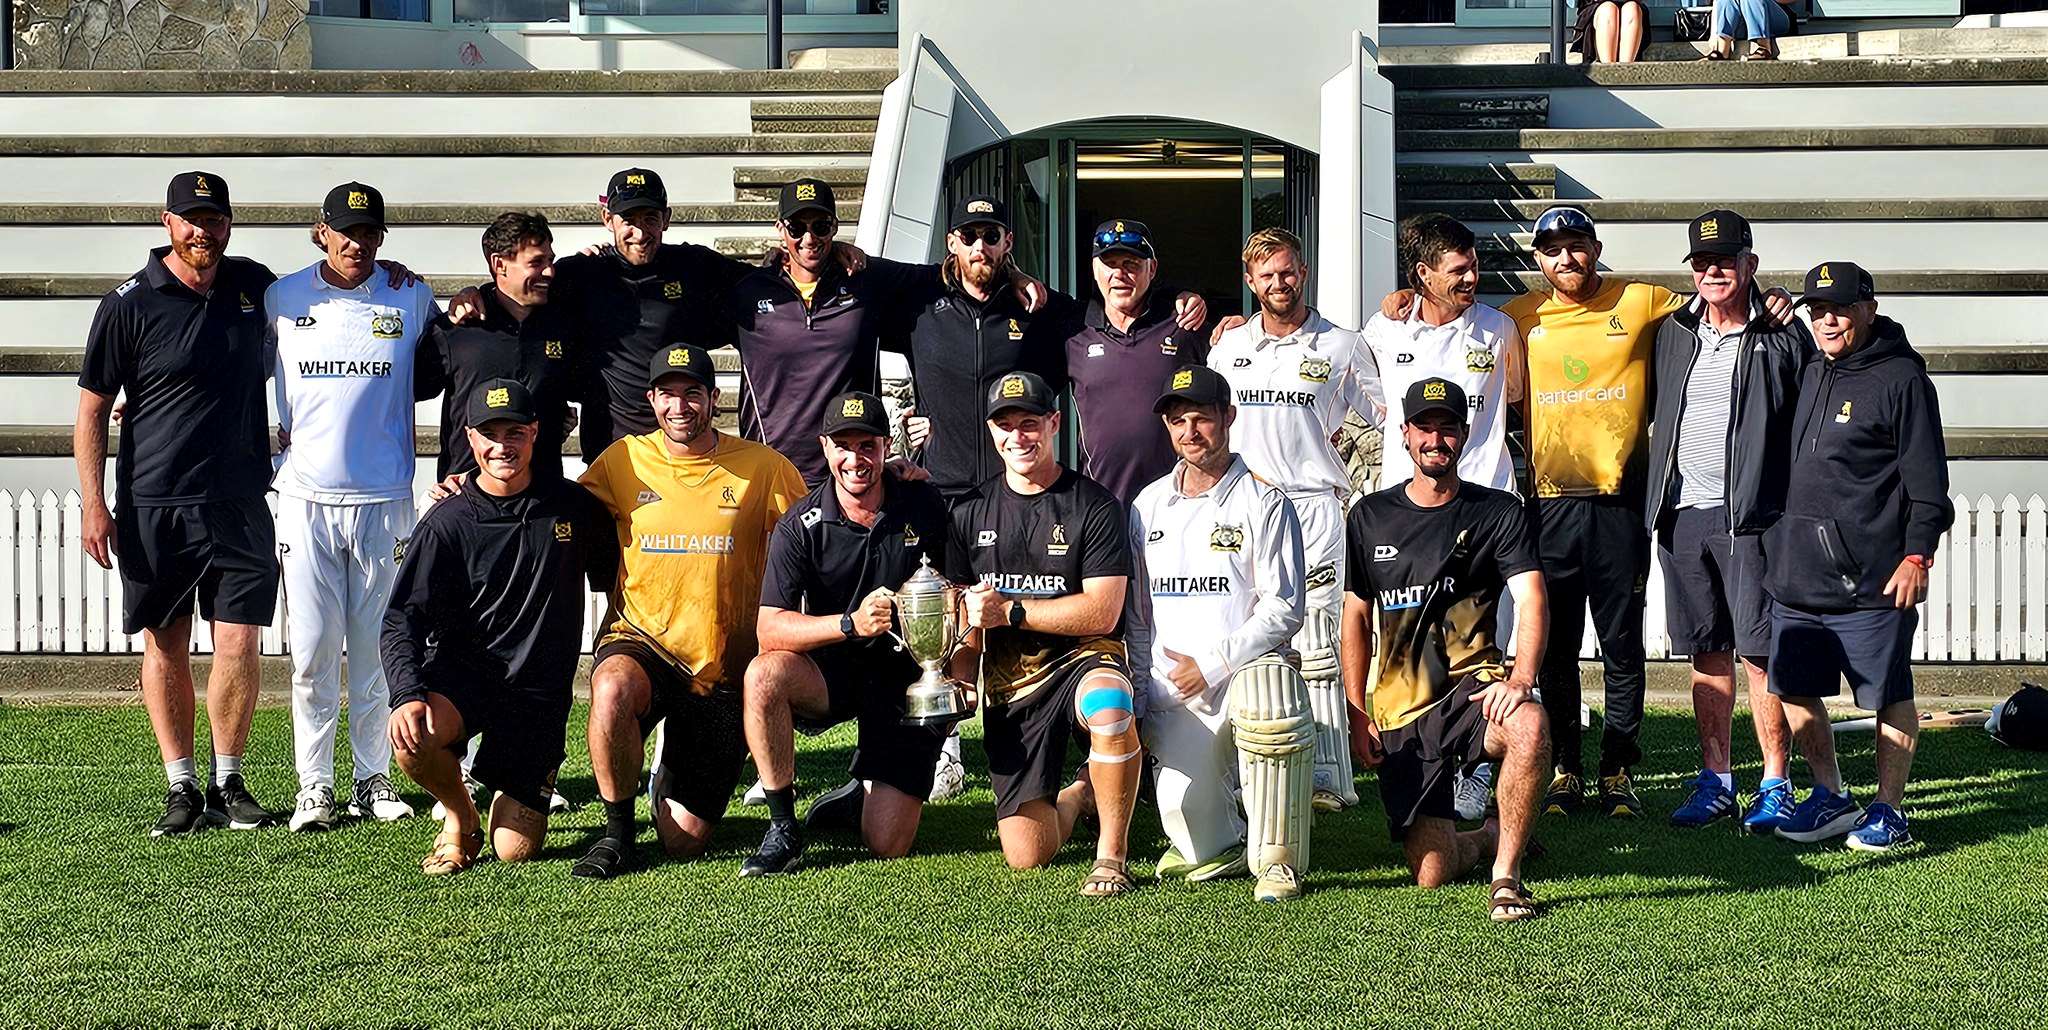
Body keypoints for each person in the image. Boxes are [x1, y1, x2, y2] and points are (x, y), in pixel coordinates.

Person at [78, 171, 282, 837]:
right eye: (190, 218)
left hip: (239, 500)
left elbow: (329, 301)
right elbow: (92, 410)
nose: (203, 230)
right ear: (166, 222)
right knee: (166, 644)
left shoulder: (256, 287)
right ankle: (181, 787)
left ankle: (229, 780)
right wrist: (92, 504)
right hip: (153, 501)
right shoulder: (128, 304)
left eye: (214, 218)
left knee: (239, 640)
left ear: (229, 222)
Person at [571, 344, 807, 878]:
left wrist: (896, 479)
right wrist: (468, 485)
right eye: (669, 394)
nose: (680, 406)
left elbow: (817, 526)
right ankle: (618, 836)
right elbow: (557, 510)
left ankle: (673, 772)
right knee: (609, 688)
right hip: (644, 641)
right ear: (652, 399)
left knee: (683, 841)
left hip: (724, 665)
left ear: (714, 398)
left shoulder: (763, 468)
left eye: (692, 394)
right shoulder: (622, 461)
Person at [381, 380, 618, 875]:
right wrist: (406, 694)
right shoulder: (447, 521)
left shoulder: (573, 506)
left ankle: (504, 798)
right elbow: (401, 616)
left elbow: (622, 575)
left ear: (535, 434)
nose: (502, 446)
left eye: (514, 432)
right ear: (470, 440)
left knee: (515, 849)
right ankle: (460, 815)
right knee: (412, 739)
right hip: (464, 677)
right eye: (489, 434)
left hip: (537, 692)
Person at [1342, 377, 1551, 921]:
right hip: (1401, 706)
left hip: (1474, 690)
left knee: (1529, 725)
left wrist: (1521, 679)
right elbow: (1356, 617)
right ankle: (1487, 836)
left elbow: (1532, 601)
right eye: (1426, 428)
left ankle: (1506, 875)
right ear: (1405, 434)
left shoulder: (1499, 511)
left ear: (1464, 435)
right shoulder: (1368, 516)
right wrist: (1355, 710)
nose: (1437, 439)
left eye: (1449, 428)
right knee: (1432, 872)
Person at [267, 181, 440, 831]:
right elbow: (221, 365)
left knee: (376, 651)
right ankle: (316, 786)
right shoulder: (281, 297)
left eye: (370, 233)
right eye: (345, 231)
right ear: (321, 231)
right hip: (305, 499)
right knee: (312, 652)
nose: (357, 243)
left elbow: (458, 361)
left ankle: (373, 779)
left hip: (385, 501)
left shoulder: (409, 294)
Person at [1499, 206, 1682, 819]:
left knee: (1622, 644)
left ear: (1596, 248)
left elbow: (1716, 300)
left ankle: (1618, 768)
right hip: (1548, 505)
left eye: (1576, 246)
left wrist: (1776, 298)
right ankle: (1565, 770)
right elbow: (1451, 323)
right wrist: (1402, 300)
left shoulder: (1642, 299)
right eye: (1552, 250)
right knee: (1555, 648)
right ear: (1537, 259)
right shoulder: (1519, 316)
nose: (1566, 260)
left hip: (1619, 504)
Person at [1764, 262, 1953, 852]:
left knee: (1888, 694)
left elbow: (1929, 488)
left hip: (1871, 578)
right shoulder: (1810, 368)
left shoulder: (1902, 381)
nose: (1827, 320)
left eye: (1840, 309)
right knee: (1793, 687)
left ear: (1869, 308)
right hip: (1798, 574)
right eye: (1816, 310)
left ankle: (1889, 810)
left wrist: (1916, 557)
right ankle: (1830, 794)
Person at [739, 391, 955, 875]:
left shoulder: (922, 501)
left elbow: (956, 589)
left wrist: (955, 678)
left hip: (905, 679)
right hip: (834, 668)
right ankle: (783, 827)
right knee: (763, 675)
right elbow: (768, 628)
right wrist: (848, 624)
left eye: (867, 446)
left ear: (886, 447)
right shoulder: (801, 524)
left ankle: (861, 792)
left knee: (887, 844)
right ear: (824, 447)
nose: (855, 459)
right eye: (843, 446)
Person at [945, 371, 1143, 896]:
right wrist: (961, 673)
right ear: (992, 433)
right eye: (1005, 425)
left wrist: (1011, 611)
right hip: (1013, 684)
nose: (1018, 437)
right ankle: (1081, 791)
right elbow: (964, 615)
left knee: (1111, 706)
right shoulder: (967, 512)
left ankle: (1111, 856)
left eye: (1029, 423)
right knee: (1028, 855)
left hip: (1083, 658)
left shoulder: (1094, 505)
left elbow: (1103, 612)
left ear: (1054, 423)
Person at [1207, 227, 1384, 811]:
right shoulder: (1230, 348)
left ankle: (1329, 777)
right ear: (1250, 282)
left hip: (1313, 504)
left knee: (1318, 644)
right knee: (1243, 632)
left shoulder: (1341, 343)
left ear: (1303, 273)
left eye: (1288, 271)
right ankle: (1240, 769)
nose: (1279, 283)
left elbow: (1383, 416)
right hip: (1245, 504)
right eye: (1267, 275)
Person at [1645, 210, 1809, 832]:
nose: (1712, 271)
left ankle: (1776, 782)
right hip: (1682, 515)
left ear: (1751, 264)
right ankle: (1716, 781)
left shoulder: (1781, 335)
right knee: (1705, 653)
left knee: (1760, 654)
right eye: (1701, 262)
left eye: (1725, 260)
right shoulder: (1671, 333)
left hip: (1752, 519)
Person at [1126, 364, 1310, 901]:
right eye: (1178, 420)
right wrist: (1143, 688)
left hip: (1243, 674)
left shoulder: (1264, 500)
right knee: (1191, 830)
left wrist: (1210, 666)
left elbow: (1284, 608)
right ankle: (1231, 833)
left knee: (1271, 700)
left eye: (1201, 418)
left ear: (1228, 418)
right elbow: (1140, 616)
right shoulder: (1148, 505)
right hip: (1173, 687)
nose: (1190, 431)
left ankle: (1279, 860)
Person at [1053, 219, 1213, 505]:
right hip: (1100, 504)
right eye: (1110, 263)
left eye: (1131, 264)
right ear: (1094, 268)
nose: (1120, 274)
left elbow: (1240, 360)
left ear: (1151, 269)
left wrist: (1238, 324)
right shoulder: (1073, 331)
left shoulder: (1182, 324)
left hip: (1178, 503)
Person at [416, 211, 580, 482]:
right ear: (499, 264)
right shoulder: (456, 328)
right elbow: (404, 394)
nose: (550, 271)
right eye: (536, 263)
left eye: (550, 260)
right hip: (466, 497)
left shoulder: (563, 324)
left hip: (542, 499)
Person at [1707, 0, 1794, 61]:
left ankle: (1764, 48)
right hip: (1742, 23)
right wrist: (1714, 33)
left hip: (1776, 18)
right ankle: (1723, 51)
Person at [1575, 0, 1646, 64]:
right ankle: (1608, 70)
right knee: (1608, 11)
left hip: (1631, 7)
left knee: (1632, 9)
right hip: (1598, 6)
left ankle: (1626, 71)